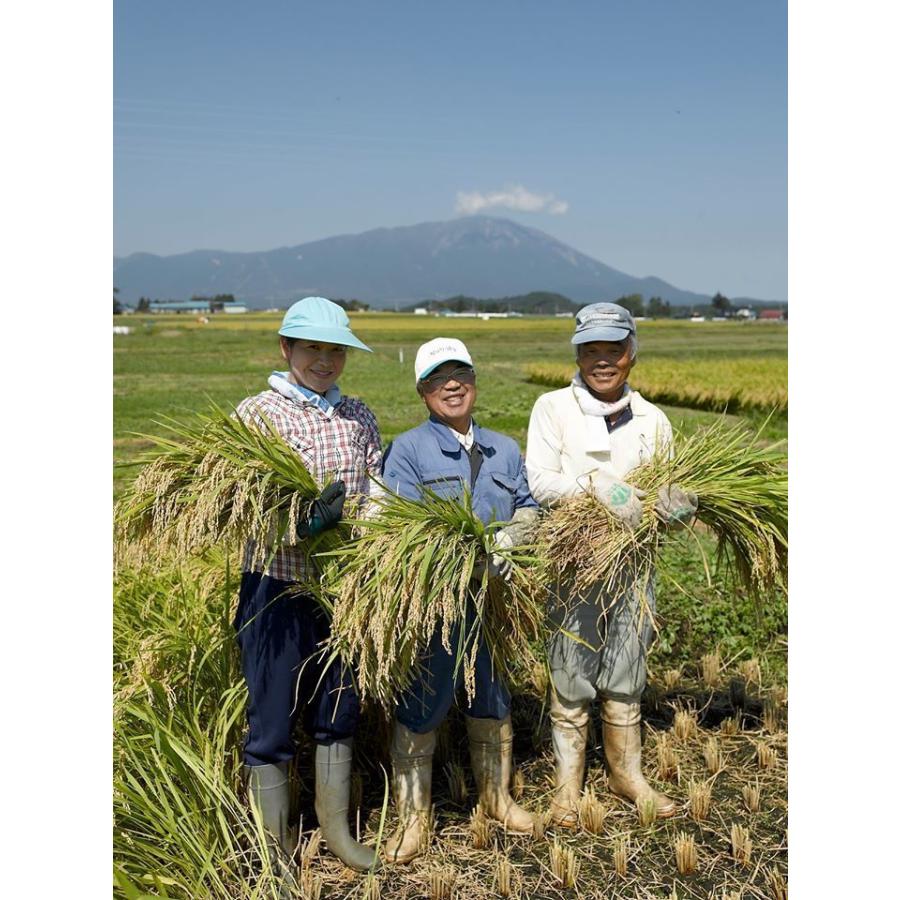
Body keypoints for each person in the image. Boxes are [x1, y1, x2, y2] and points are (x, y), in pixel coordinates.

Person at [525, 302, 698, 825]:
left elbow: (667, 487)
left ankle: (627, 776)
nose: (603, 360)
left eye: (613, 350)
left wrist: (674, 504)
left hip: (634, 564)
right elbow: (539, 481)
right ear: (577, 354)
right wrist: (600, 489)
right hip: (574, 562)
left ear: (631, 354)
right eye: (591, 350)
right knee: (570, 669)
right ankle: (567, 787)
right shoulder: (552, 408)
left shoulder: (653, 418)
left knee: (627, 666)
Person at [233, 297, 381, 873]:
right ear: (286, 349)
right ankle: (275, 848)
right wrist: (301, 526)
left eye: (335, 350)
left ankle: (337, 831)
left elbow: (376, 491)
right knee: (270, 716)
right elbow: (237, 507)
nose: (324, 360)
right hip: (277, 585)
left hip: (344, 590)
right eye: (312, 348)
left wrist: (372, 537)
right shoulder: (259, 414)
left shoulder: (360, 415)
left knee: (337, 707)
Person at [379, 338, 538, 864]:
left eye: (461, 374)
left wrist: (517, 532)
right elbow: (396, 522)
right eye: (440, 377)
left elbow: (529, 504)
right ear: (423, 391)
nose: (453, 384)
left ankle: (497, 798)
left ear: (474, 382)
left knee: (492, 697)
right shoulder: (407, 449)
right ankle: (414, 819)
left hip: (493, 597)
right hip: (436, 603)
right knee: (423, 700)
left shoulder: (504, 448)